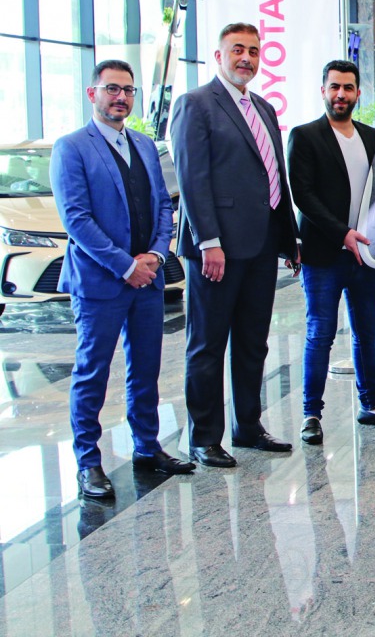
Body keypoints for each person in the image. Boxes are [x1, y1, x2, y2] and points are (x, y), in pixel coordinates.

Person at [50, 60, 195, 499]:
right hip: (100, 284)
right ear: (92, 93)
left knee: (146, 371)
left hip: (147, 280)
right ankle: (88, 463)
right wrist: (125, 265)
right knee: (93, 373)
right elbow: (76, 219)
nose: (121, 97)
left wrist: (153, 254)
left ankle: (147, 448)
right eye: (112, 89)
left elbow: (165, 206)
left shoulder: (146, 146)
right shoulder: (72, 147)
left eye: (129, 90)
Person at [169, 23, 300, 467]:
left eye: (254, 51)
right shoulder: (196, 104)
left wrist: (288, 238)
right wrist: (209, 241)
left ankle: (248, 426)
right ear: (218, 54)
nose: (246, 57)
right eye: (237, 50)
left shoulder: (262, 107)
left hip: (261, 246)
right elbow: (192, 180)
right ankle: (204, 437)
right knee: (207, 346)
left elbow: (273, 175)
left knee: (252, 343)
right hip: (217, 250)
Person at [287, 59, 375, 445]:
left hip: (368, 257)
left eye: (348, 88)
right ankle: (311, 414)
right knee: (319, 334)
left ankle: (370, 405)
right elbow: (303, 195)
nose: (341, 94)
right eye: (334, 87)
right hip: (326, 255)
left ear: (358, 92)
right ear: (323, 90)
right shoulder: (305, 136)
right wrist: (343, 234)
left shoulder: (373, 137)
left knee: (366, 334)